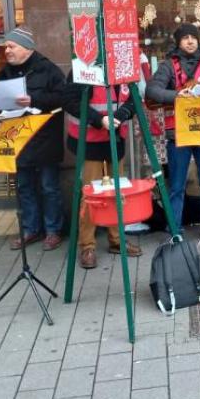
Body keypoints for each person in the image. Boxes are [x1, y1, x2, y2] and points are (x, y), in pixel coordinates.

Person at [146, 23, 200, 246]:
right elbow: (152, 91)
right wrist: (178, 95)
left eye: (194, 37)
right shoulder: (167, 66)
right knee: (176, 187)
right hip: (179, 135)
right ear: (178, 42)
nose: (191, 41)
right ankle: (175, 232)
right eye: (186, 38)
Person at [0, 27, 66, 251]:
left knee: (49, 187)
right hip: (18, 140)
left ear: (27, 48)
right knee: (24, 188)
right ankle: (30, 230)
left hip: (45, 139)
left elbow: (63, 98)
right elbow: (0, 104)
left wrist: (33, 99)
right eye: (6, 46)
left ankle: (53, 231)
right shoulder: (5, 72)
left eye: (11, 46)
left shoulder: (48, 69)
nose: (7, 50)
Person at [64, 73, 142, 268]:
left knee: (117, 193)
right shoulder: (82, 67)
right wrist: (100, 120)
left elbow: (134, 98)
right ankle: (87, 245)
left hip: (115, 142)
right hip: (90, 142)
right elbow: (70, 101)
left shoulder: (121, 66)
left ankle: (117, 240)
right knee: (91, 196)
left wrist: (122, 114)